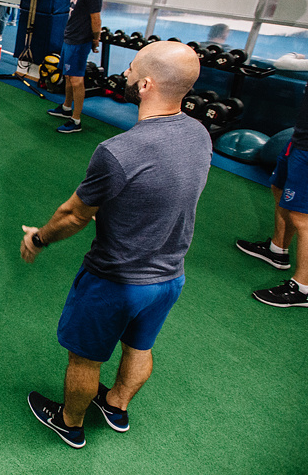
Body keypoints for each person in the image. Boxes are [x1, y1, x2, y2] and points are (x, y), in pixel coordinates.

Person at [20, 41, 211, 449]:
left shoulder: (119, 151)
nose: (123, 74)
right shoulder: (199, 134)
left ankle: (70, 422)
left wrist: (38, 238)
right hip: (169, 278)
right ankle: (117, 405)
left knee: (85, 359)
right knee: (140, 347)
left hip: (115, 281)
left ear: (144, 85)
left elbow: (74, 215)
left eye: (130, 70)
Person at [235, 0, 308, 308]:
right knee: (279, 187)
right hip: (302, 141)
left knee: (307, 219)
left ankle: (302, 289)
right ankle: (277, 250)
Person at [47, 0, 103, 134]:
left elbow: (96, 19)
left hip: (80, 41)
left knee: (77, 80)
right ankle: (66, 108)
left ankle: (76, 120)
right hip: (70, 38)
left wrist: (95, 40)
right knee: (69, 76)